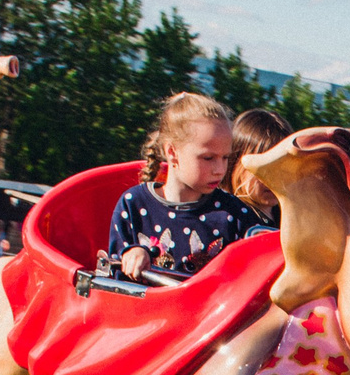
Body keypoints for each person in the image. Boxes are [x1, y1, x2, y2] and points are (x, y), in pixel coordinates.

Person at [106, 91, 265, 282]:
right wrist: (133, 253)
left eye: (225, 157)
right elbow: (113, 276)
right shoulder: (134, 204)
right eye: (208, 158)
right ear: (172, 152)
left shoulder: (234, 214)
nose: (220, 169)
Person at [228, 106, 289, 227]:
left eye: (282, 167)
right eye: (263, 168)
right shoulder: (230, 218)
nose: (273, 177)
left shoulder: (288, 217)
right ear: (234, 162)